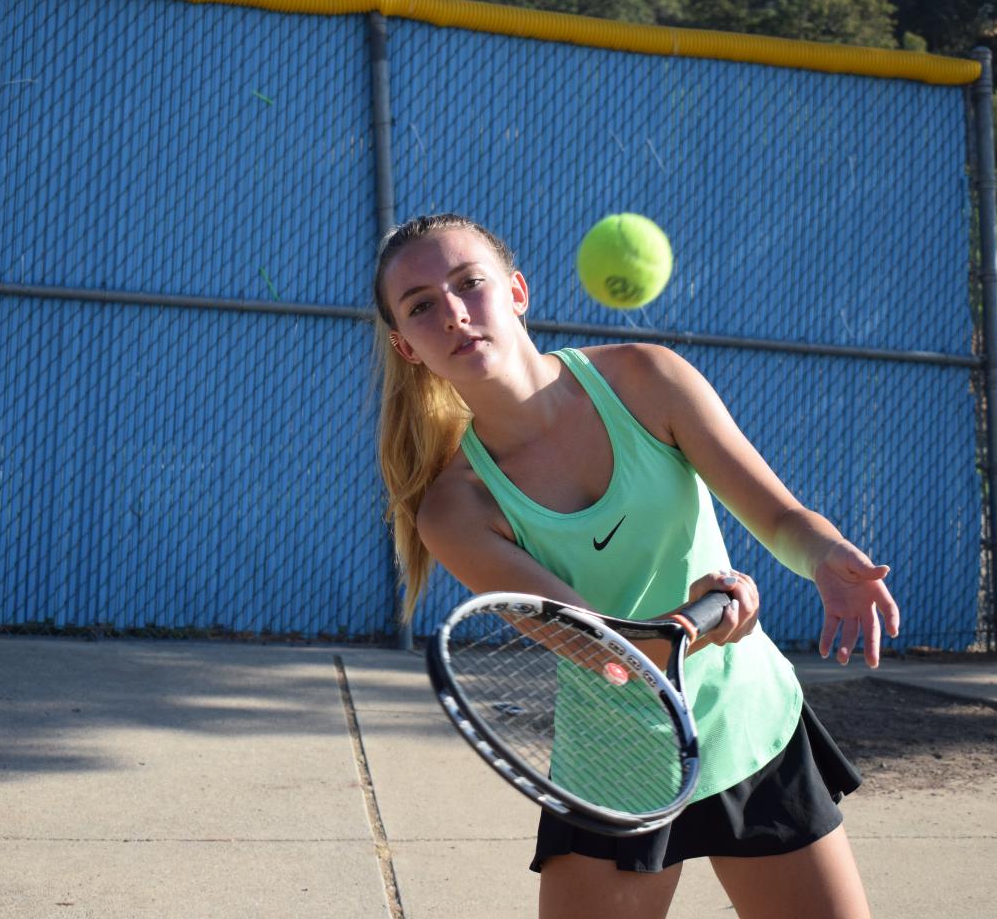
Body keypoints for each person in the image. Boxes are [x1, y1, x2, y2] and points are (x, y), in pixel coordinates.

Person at [372, 213, 901, 919]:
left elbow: (777, 517)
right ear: (407, 347)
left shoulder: (645, 378)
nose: (456, 314)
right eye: (423, 306)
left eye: (471, 284)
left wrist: (827, 554)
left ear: (518, 291)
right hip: (616, 768)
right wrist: (697, 622)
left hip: (751, 729)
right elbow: (606, 652)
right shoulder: (457, 512)